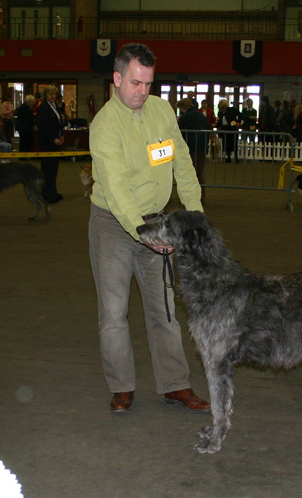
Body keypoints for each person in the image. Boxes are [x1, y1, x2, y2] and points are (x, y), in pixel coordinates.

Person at [88, 43, 210, 414]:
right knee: (113, 313)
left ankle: (175, 384)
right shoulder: (105, 125)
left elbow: (183, 164)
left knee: (166, 311)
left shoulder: (161, 111)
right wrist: (144, 234)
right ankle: (122, 386)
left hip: (158, 221)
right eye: (136, 83)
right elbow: (117, 188)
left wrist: (196, 217)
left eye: (149, 83)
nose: (143, 91)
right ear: (117, 78)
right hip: (113, 225)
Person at [36, 85, 64, 203]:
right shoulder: (43, 107)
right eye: (50, 94)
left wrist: (61, 135)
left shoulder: (55, 107)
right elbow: (42, 126)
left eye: (54, 94)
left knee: (53, 169)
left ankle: (53, 191)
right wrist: (53, 139)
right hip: (47, 143)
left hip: (55, 142)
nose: (52, 96)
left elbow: (59, 123)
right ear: (45, 95)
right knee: (47, 169)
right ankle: (46, 194)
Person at [178, 97, 209, 202]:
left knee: (188, 173)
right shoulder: (201, 116)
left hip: (190, 148)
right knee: (199, 173)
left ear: (183, 107)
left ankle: (190, 197)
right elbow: (208, 129)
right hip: (202, 147)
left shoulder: (184, 118)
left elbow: (178, 133)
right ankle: (202, 196)